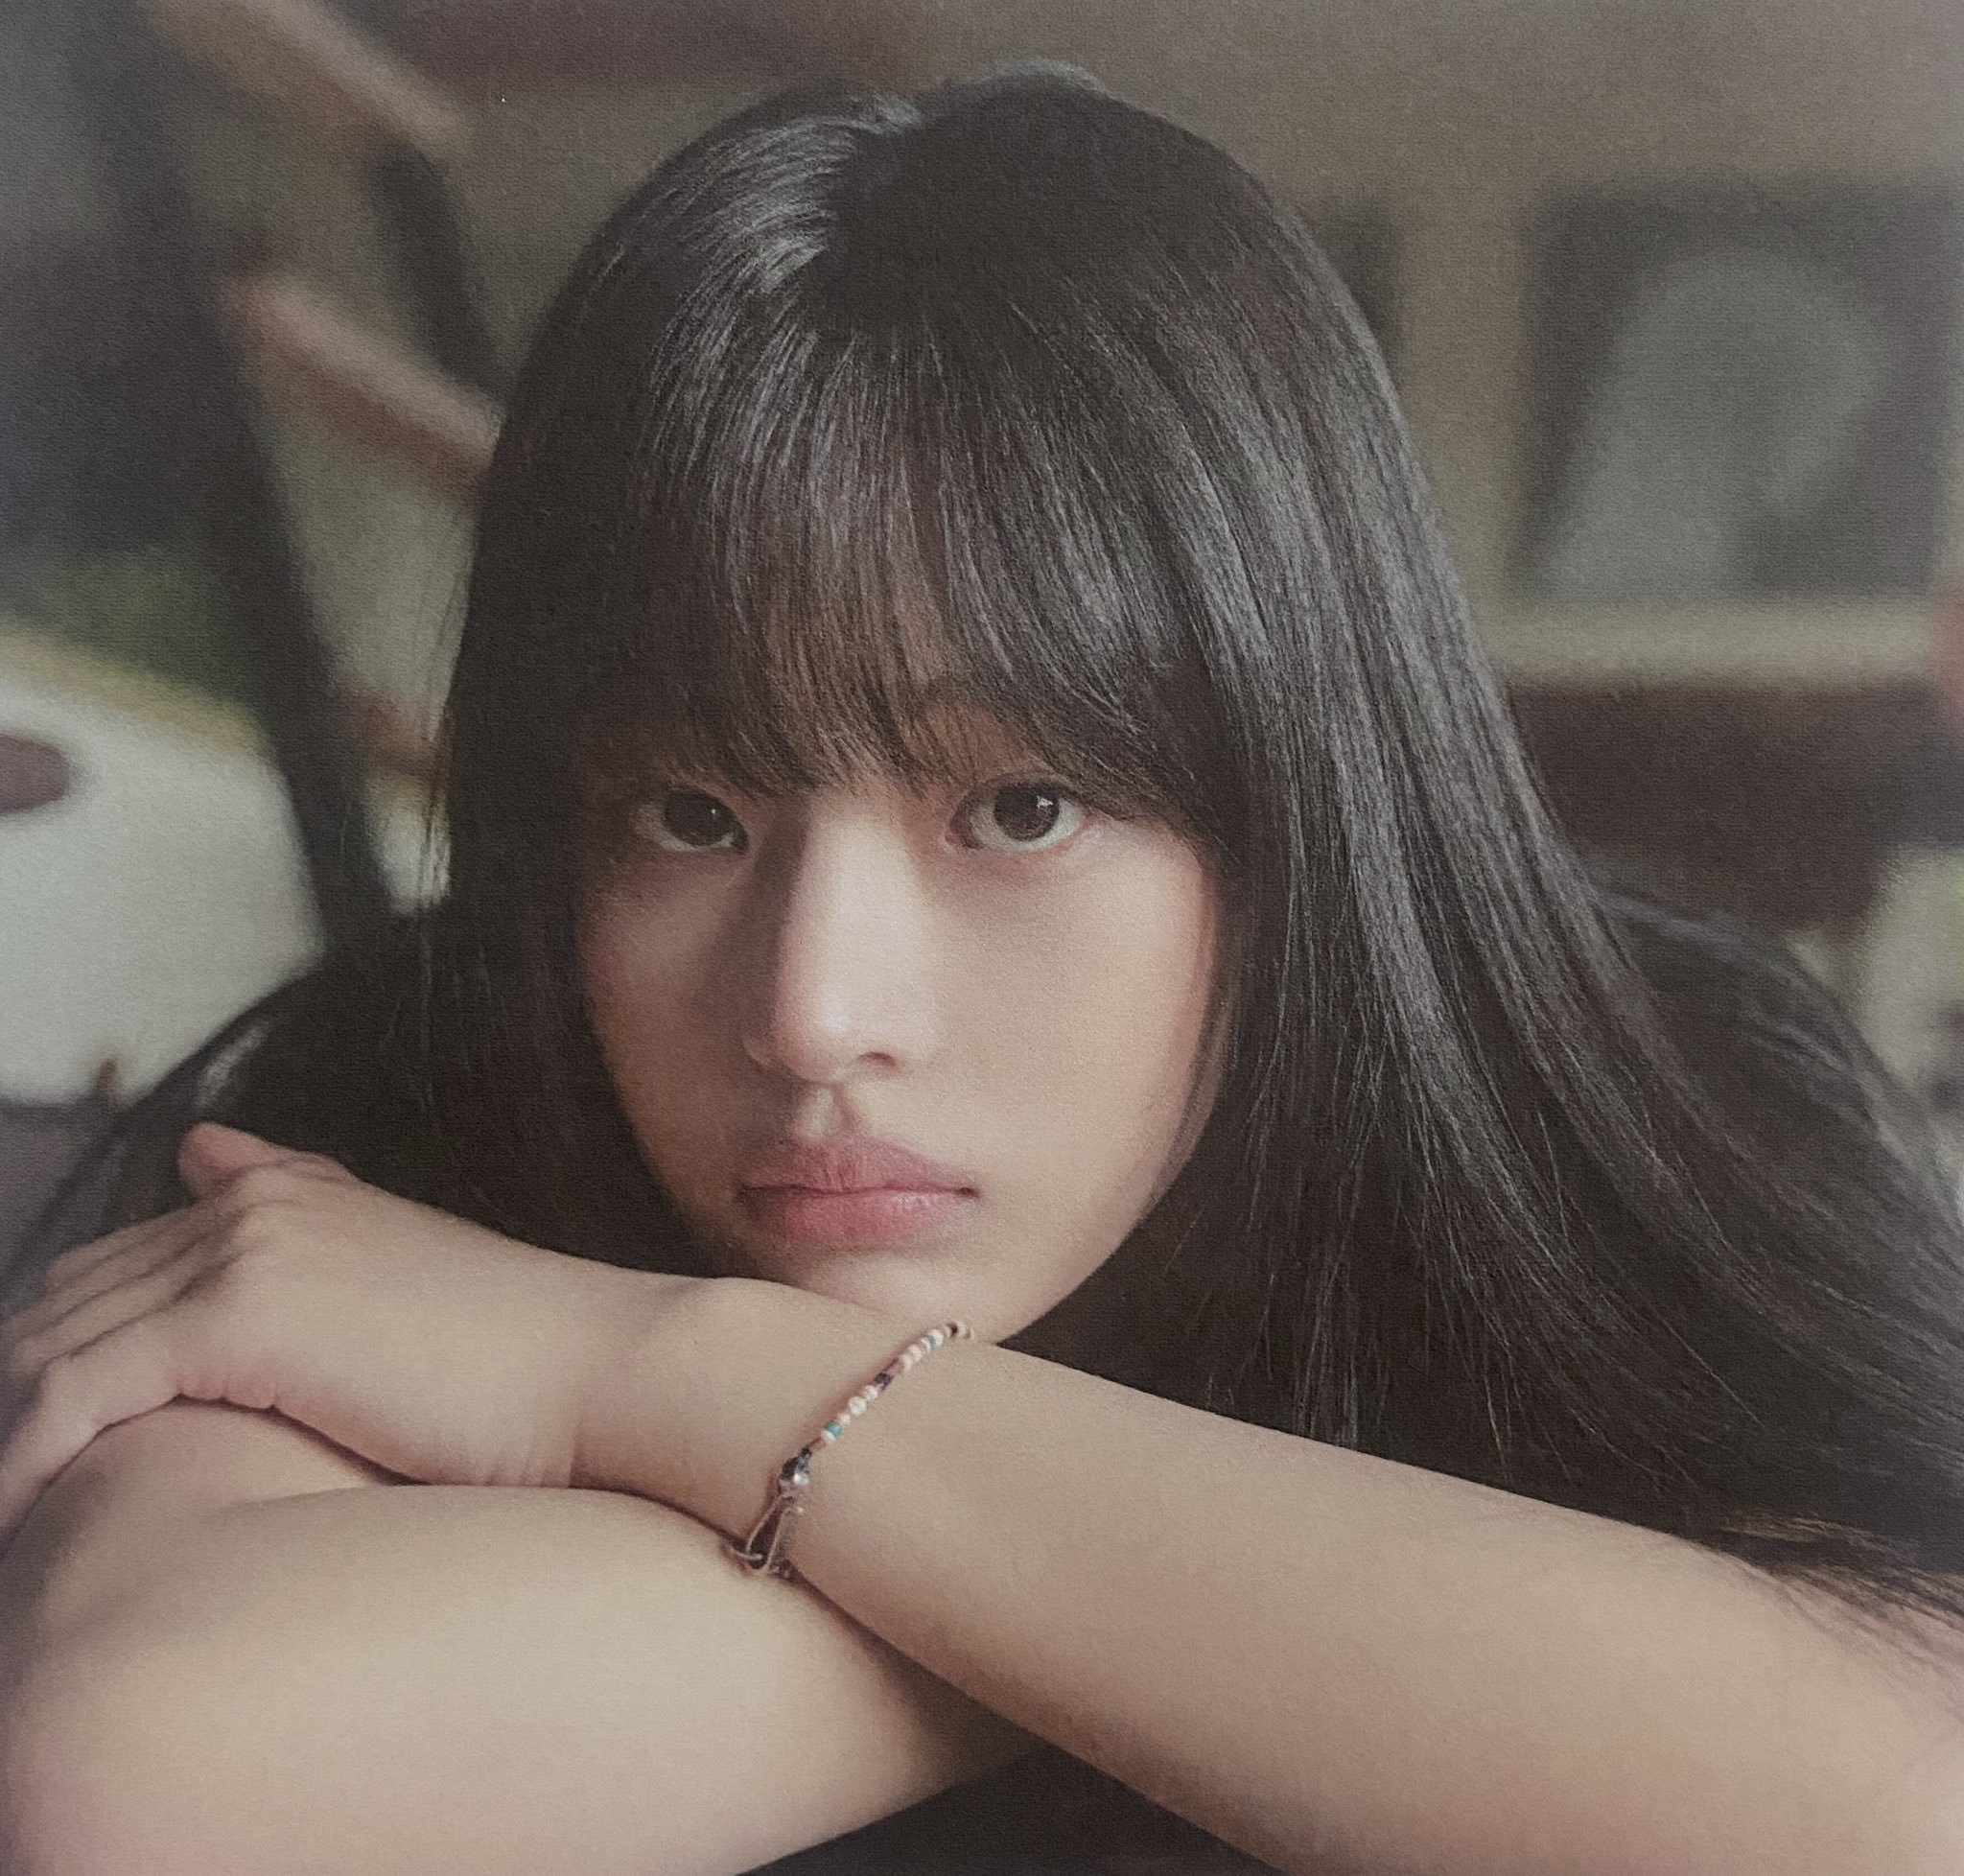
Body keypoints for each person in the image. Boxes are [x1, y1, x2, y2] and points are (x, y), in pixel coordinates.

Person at [2, 60, 1964, 1875]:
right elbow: (161, 1770)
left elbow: (1905, 1793)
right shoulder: (419, 1098)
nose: (812, 1014)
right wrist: (1393, 1638)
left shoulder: (1667, 1096)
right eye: (688, 813)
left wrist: (621, 1369)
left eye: (1021, 808)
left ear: (1303, 805)